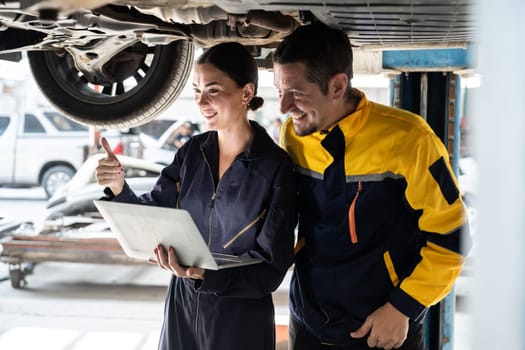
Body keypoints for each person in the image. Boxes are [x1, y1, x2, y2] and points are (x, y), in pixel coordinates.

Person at [272, 23, 471, 350]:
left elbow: (453, 238)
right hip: (308, 322)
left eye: (296, 94)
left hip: (381, 329)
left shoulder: (410, 140)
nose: (283, 108)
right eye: (280, 91)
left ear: (337, 86)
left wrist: (402, 307)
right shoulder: (294, 134)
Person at [95, 42, 297, 350]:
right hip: (183, 305)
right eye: (196, 90)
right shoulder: (192, 152)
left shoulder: (274, 166)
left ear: (246, 93)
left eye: (213, 90)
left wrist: (209, 277)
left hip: (240, 316)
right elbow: (155, 215)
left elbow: (270, 270)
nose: (201, 102)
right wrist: (120, 187)